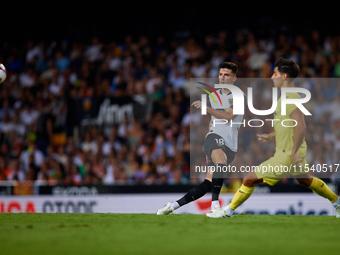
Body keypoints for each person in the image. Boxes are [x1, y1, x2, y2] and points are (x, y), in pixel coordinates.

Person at [207, 57, 340, 218]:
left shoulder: (289, 97)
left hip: (287, 154)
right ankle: (336, 202)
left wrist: (293, 152)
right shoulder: (286, 96)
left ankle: (226, 211)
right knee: (306, 180)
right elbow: (288, 124)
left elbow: (301, 126)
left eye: (275, 73)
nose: (271, 77)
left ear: (284, 76)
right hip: (293, 151)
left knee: (249, 179)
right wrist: (271, 135)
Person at [157, 62, 245, 215]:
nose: (222, 78)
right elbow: (212, 122)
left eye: (226, 75)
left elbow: (229, 116)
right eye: (220, 74)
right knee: (221, 163)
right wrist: (208, 144)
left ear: (234, 79)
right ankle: (215, 207)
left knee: (207, 184)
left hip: (230, 143)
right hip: (215, 137)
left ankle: (172, 206)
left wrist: (207, 108)